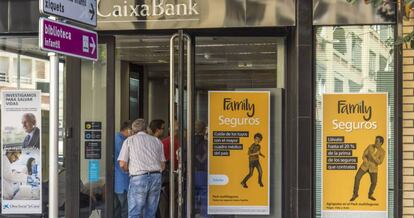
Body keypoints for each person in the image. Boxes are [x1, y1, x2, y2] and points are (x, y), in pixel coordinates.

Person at [118, 119, 166, 218]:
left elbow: (122, 164)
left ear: (133, 130)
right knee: (150, 213)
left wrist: (129, 169)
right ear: (146, 129)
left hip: (139, 178)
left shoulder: (129, 141)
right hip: (156, 177)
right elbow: (163, 165)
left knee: (135, 213)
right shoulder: (157, 141)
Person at [350, 136, 386, 201]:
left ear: (381, 143)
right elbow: (364, 154)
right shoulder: (370, 146)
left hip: (373, 168)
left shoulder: (383, 152)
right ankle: (355, 194)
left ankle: (370, 195)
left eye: (377, 141)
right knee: (357, 177)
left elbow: (380, 162)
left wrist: (373, 156)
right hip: (365, 166)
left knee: (374, 182)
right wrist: (364, 159)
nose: (375, 142)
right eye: (375, 140)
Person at [114, 121, 132, 218]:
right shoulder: (122, 141)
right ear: (128, 130)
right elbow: (124, 162)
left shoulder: (115, 138)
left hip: (117, 182)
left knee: (117, 209)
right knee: (125, 209)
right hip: (123, 180)